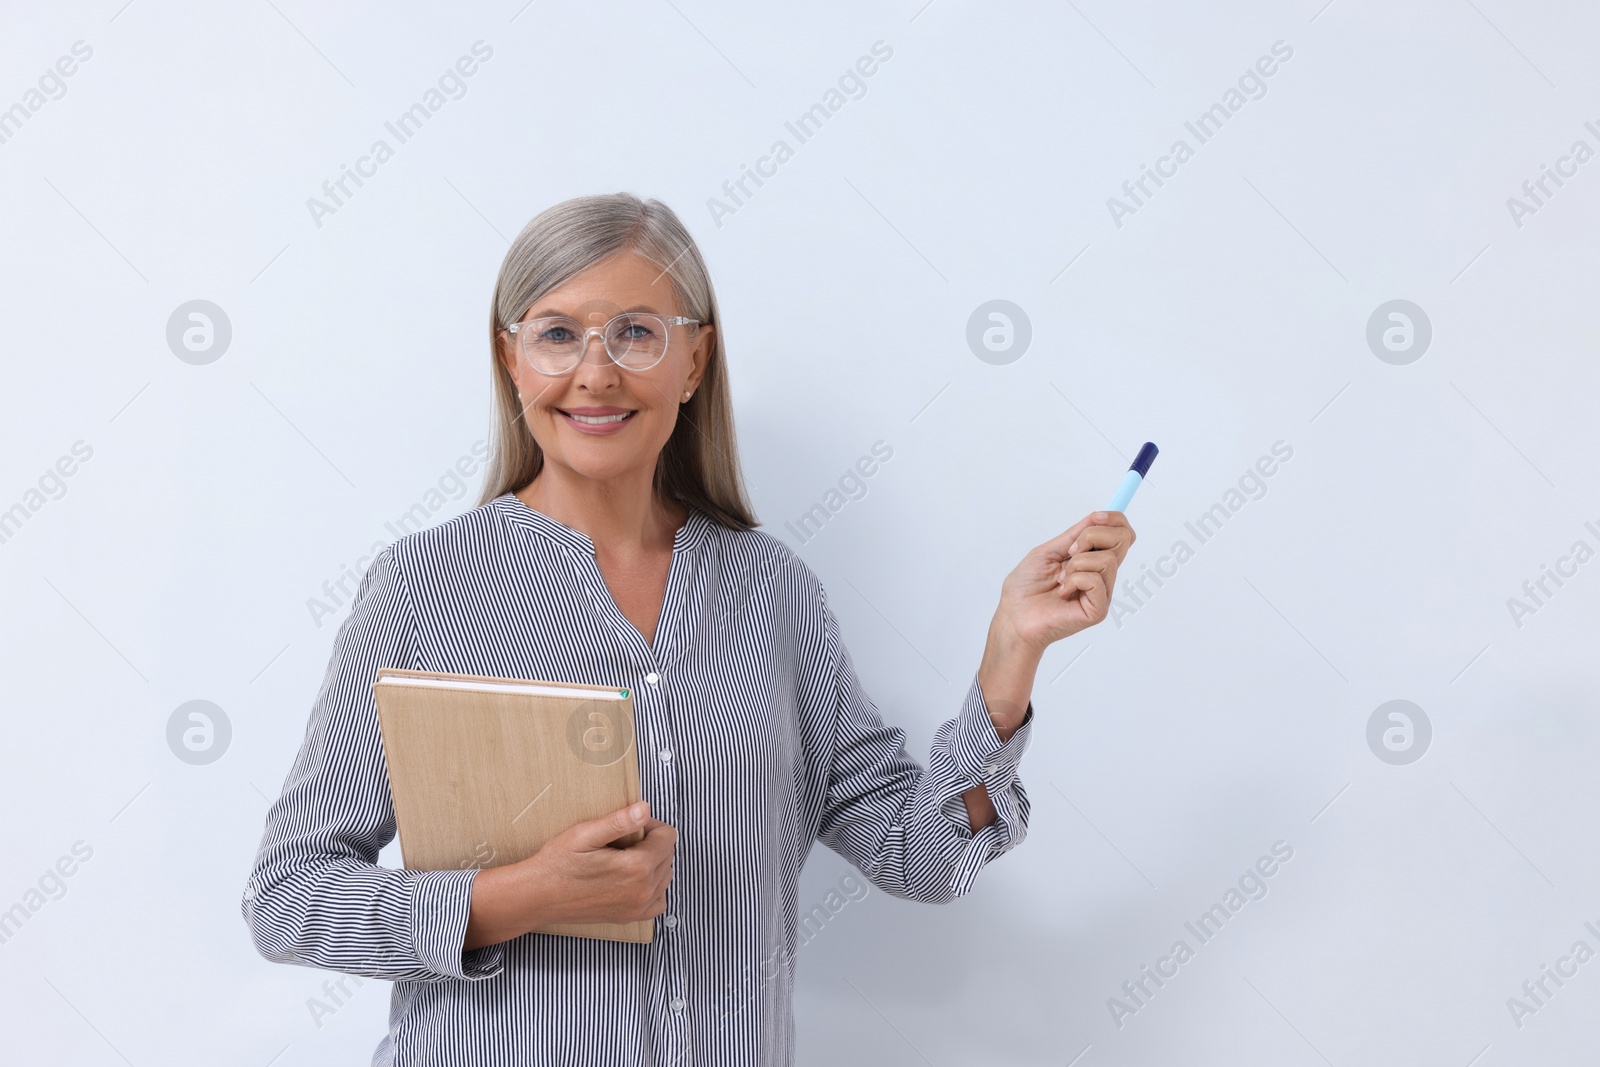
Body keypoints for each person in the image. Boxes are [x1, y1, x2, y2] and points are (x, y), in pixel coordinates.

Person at [242, 192, 1134, 1065]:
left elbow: (925, 856)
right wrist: (518, 895)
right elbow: (287, 898)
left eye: (637, 332)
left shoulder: (773, 593)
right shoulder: (423, 587)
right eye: (557, 333)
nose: (595, 372)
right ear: (510, 358)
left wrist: (1011, 652)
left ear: (695, 361)